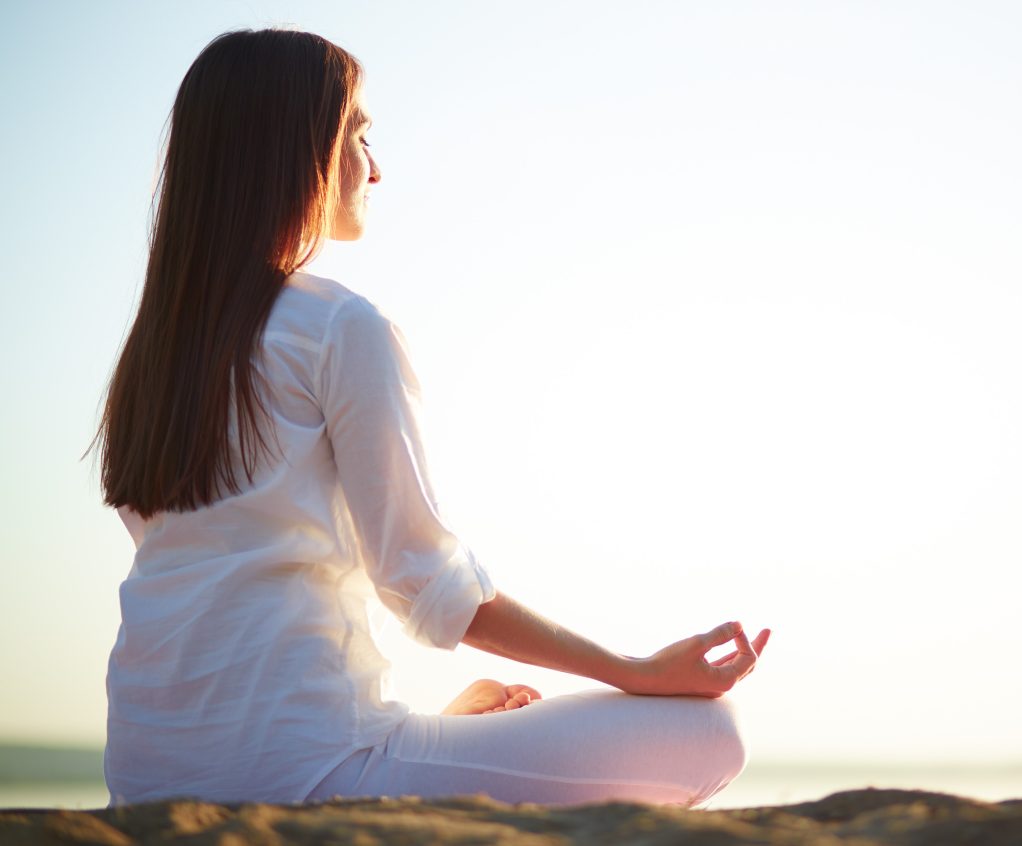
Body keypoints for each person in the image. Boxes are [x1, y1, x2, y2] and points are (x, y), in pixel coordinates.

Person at [86, 27, 770, 810]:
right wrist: (637, 670)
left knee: (413, 734)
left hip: (142, 780)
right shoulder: (340, 328)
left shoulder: (152, 357)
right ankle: (396, 763)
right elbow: (426, 583)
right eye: (358, 133)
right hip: (306, 774)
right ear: (291, 147)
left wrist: (421, 733)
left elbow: (226, 600)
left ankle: (405, 754)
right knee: (714, 735)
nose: (374, 166)